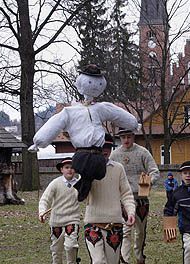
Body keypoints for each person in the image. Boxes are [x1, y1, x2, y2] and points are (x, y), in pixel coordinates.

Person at [29, 64, 138, 201]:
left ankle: (83, 186)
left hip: (98, 155)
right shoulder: (70, 112)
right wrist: (39, 141)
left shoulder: (100, 108)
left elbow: (117, 114)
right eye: (91, 82)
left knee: (98, 173)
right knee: (88, 171)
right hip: (82, 154)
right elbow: (54, 123)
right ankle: (82, 186)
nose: (94, 87)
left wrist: (133, 124)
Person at [84, 133, 136, 264]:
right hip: (93, 224)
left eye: (107, 148)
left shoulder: (118, 168)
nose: (105, 151)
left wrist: (130, 212)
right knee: (97, 262)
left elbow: (127, 194)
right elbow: (78, 193)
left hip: (114, 224)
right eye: (101, 148)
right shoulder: (87, 169)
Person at [110, 128, 159, 264]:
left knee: (140, 231)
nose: (126, 140)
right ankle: (125, 261)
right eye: (123, 137)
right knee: (125, 232)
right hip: (123, 199)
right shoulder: (115, 154)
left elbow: (154, 171)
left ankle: (139, 254)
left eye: (129, 137)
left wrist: (147, 183)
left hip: (141, 198)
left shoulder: (143, 152)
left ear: (133, 137)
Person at [38, 157, 80, 264]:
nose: (70, 170)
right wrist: (42, 212)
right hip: (56, 221)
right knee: (56, 249)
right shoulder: (55, 183)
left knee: (71, 245)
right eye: (66, 167)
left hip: (72, 219)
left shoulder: (79, 182)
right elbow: (45, 199)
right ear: (61, 169)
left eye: (72, 167)